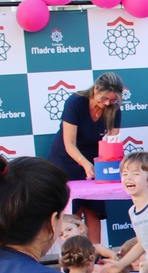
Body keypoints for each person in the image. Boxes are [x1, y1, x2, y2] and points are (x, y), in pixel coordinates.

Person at [46, 72, 124, 241]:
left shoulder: (114, 109)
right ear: (95, 89)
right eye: (104, 98)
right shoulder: (75, 102)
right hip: (66, 157)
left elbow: (112, 143)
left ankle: (95, 253)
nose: (107, 104)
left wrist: (109, 165)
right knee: (73, 210)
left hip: (95, 157)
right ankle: (73, 252)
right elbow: (69, 143)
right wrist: (85, 164)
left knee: (93, 207)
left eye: (112, 100)